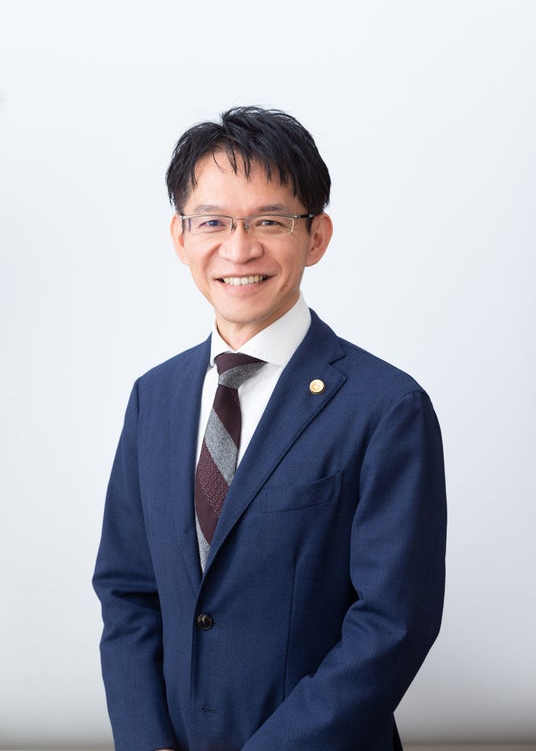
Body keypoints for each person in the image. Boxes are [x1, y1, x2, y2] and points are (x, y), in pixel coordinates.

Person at [93, 106, 447, 751]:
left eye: (270, 221)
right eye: (213, 221)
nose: (239, 248)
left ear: (316, 237)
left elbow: (393, 623)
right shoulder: (155, 397)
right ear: (180, 236)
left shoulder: (387, 407)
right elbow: (128, 592)